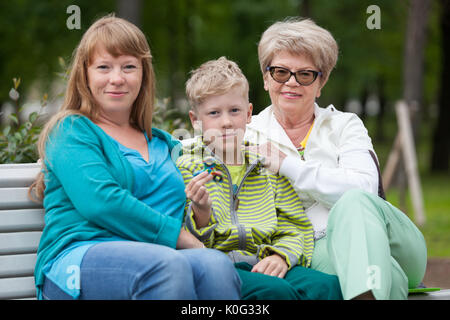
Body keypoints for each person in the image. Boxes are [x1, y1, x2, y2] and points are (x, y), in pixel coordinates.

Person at [30, 15, 241, 300]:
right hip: (76, 262)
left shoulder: (162, 142)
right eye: (104, 67)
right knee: (166, 265)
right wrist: (181, 238)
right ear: (85, 74)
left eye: (129, 67)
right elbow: (101, 202)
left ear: (143, 75)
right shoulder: (70, 132)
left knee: (216, 265)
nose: (117, 78)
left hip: (157, 259)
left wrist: (202, 214)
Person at [244, 17, 427, 300]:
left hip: (396, 243)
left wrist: (288, 165)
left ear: (322, 81)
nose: (291, 83)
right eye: (281, 72)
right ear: (266, 78)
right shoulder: (247, 135)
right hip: (316, 247)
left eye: (305, 74)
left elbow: (362, 189)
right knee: (385, 275)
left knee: (353, 201)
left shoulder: (345, 125)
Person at [177, 56, 343, 300]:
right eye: (214, 113)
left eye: (234, 111)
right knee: (275, 293)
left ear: (248, 114)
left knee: (328, 287)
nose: (226, 122)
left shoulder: (266, 165)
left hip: (265, 260)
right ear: (196, 121)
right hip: (219, 267)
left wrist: (282, 256)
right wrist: (200, 212)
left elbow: (294, 225)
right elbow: (182, 235)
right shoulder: (186, 167)